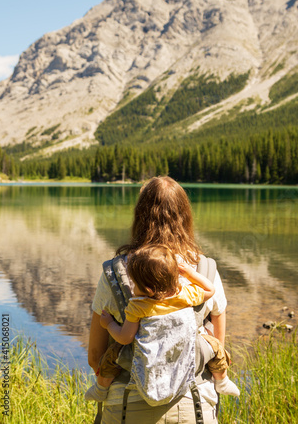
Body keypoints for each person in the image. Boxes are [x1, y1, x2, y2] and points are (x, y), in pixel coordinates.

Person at [88, 176, 232, 423]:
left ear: (139, 216)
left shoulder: (115, 272)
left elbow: (95, 357)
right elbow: (215, 349)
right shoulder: (205, 271)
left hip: (126, 407)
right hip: (194, 406)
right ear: (185, 216)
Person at [85, 245, 239, 403]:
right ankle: (222, 381)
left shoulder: (138, 306)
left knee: (112, 356)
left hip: (150, 364)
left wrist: (109, 323)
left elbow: (125, 338)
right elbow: (210, 290)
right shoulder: (185, 295)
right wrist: (190, 273)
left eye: (135, 285)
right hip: (179, 355)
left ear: (147, 289)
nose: (133, 289)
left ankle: (101, 389)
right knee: (216, 348)